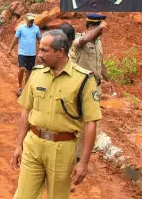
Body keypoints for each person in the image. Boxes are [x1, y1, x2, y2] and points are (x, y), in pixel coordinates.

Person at [11, 30, 102, 199]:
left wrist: (84, 161)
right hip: (33, 144)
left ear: (60, 52)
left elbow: (90, 122)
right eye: (39, 50)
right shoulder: (37, 74)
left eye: (44, 50)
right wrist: (19, 145)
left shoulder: (83, 79)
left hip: (62, 148)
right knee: (24, 196)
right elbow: (26, 111)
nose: (39, 55)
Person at [70, 13, 114, 98]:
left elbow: (100, 63)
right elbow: (85, 39)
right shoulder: (79, 40)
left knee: (96, 110)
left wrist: (108, 80)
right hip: (82, 86)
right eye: (98, 27)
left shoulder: (98, 42)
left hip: (96, 86)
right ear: (90, 26)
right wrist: (100, 27)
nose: (101, 30)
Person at [7, 13, 42, 96]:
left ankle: (26, 88)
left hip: (32, 54)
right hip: (22, 52)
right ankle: (19, 86)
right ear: (26, 20)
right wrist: (10, 50)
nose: (31, 22)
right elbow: (15, 39)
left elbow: (40, 40)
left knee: (29, 71)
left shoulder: (36, 28)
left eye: (32, 21)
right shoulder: (21, 28)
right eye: (30, 21)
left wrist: (42, 50)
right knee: (22, 68)